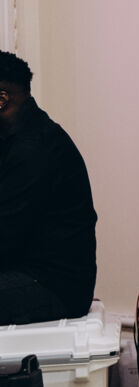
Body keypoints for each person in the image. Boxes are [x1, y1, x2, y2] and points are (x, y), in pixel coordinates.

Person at [0, 52, 97, 325]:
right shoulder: (14, 141)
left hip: (54, 284)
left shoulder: (36, 148)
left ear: (2, 99)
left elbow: (5, 236)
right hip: (28, 273)